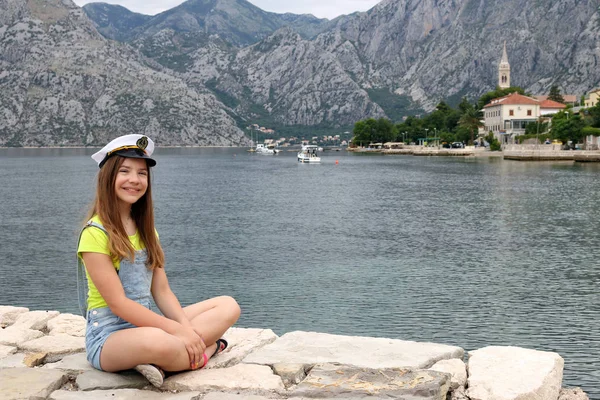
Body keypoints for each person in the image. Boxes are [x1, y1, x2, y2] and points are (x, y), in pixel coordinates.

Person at [77, 134, 240, 387]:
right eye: (125, 171)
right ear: (108, 177)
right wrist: (177, 332)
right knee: (159, 340)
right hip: (108, 336)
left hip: (147, 325)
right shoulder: (94, 234)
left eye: (142, 174)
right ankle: (210, 350)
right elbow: (119, 304)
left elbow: (162, 291)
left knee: (228, 306)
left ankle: (165, 359)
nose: (134, 180)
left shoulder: (146, 232)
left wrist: (185, 328)